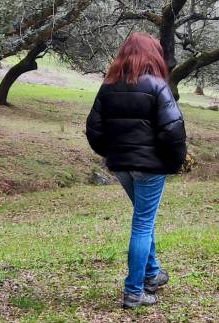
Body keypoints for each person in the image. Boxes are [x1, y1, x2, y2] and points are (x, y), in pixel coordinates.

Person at [85, 32, 188, 309]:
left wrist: (111, 153)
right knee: (143, 222)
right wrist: (176, 161)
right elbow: (174, 130)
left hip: (122, 166)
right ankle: (134, 291)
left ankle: (153, 274)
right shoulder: (157, 86)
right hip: (150, 166)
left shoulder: (108, 87)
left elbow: (93, 129)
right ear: (153, 55)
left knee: (144, 217)